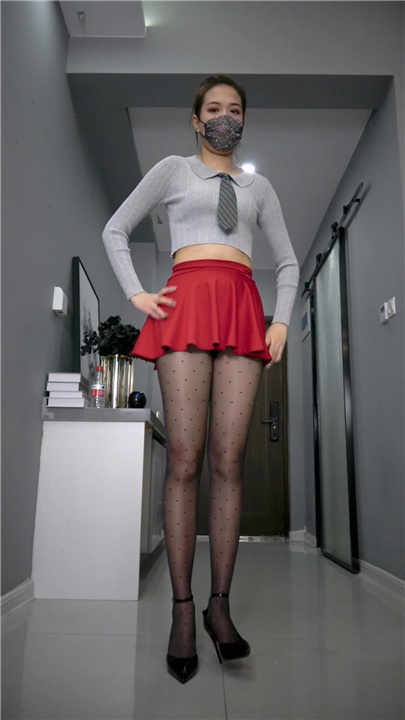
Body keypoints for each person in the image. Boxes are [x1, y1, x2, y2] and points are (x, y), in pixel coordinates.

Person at [102, 74, 300, 684]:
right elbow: (115, 228)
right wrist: (137, 293)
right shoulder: (173, 170)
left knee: (228, 461)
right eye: (213, 108)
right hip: (185, 303)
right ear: (195, 120)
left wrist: (281, 321)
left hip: (241, 306)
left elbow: (288, 261)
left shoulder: (259, 187)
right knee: (185, 459)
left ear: (244, 120)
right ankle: (183, 611)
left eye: (234, 109)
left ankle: (220, 607)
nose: (224, 117)